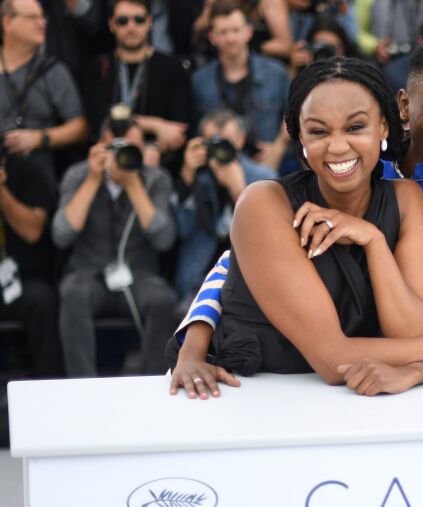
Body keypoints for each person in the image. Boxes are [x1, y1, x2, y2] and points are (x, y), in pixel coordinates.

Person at [171, 39, 423, 397]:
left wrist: (374, 241)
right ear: (299, 135)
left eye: (354, 128)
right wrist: (192, 344)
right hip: (253, 394)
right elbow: (235, 266)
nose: (338, 146)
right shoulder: (270, 199)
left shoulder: (412, 195)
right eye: (319, 131)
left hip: (368, 396)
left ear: (382, 128)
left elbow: (421, 335)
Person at [52, 114, 177, 377]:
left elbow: (164, 240)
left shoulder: (156, 179)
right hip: (88, 274)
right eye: (115, 147)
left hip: (139, 276)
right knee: (72, 293)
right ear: (99, 146)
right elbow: (61, 235)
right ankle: (82, 386)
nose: (123, 155)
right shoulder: (78, 175)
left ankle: (151, 384)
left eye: (131, 148)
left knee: (163, 299)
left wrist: (133, 185)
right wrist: (93, 180)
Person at [173, 109, 276, 303]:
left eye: (227, 141)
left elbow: (268, 239)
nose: (221, 149)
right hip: (197, 278)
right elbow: (181, 230)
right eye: (214, 141)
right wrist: (187, 176)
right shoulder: (196, 175)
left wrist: (239, 190)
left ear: (241, 140)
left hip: (246, 279)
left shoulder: (264, 177)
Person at [82, 0, 193, 161]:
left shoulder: (173, 68)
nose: (131, 27)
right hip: (108, 157)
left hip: (157, 161)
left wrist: (156, 147)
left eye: (138, 20)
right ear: (112, 25)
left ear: (149, 22)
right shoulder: (98, 68)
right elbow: (98, 120)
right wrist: (156, 125)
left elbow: (179, 130)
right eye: (123, 21)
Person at [0, 0, 88, 186]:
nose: (42, 23)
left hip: (34, 178)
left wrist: (39, 138)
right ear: (7, 22)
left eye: (42, 17)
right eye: (33, 18)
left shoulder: (54, 71)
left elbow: (80, 128)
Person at [191, 0, 290, 154]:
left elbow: (293, 119)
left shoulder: (277, 74)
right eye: (223, 32)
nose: (230, 39)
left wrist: (276, 150)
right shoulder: (200, 81)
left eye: (236, 30)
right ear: (212, 37)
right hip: (218, 166)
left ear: (248, 32)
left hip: (270, 165)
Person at [0, 155, 62, 378]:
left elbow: (32, 231)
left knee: (43, 300)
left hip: (21, 278)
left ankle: (50, 385)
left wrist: (2, 192)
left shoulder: (27, 170)